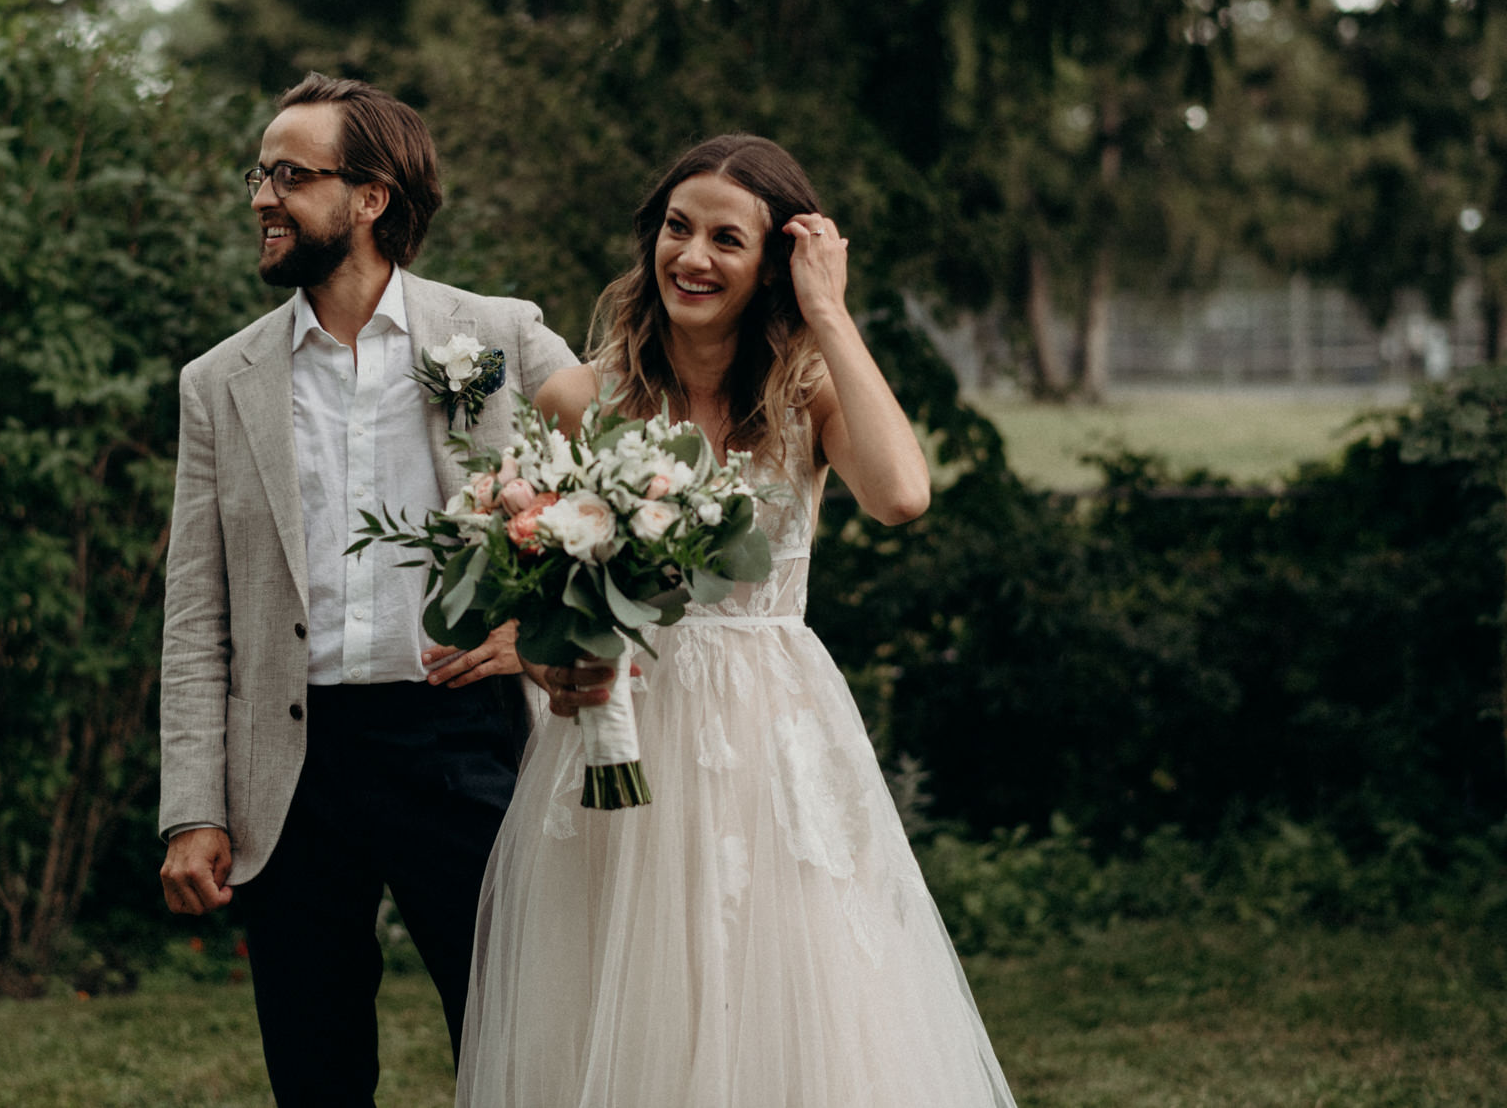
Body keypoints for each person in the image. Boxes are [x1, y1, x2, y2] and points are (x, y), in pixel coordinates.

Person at [460, 136, 1020, 1107]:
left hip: (771, 740)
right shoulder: (581, 400)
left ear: (771, 266)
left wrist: (830, 311)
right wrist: (551, 668)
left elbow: (900, 493)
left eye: (728, 237)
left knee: (791, 990)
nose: (694, 255)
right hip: (618, 736)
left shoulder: (805, 392)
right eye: (678, 228)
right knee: (619, 994)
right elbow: (536, 587)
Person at [156, 72, 578, 1106]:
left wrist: (543, 631)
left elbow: (630, 495)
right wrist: (190, 808)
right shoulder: (219, 382)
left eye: (290, 175)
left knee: (513, 1046)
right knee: (315, 1068)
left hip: (463, 740)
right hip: (290, 763)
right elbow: (197, 611)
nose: (262, 195)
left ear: (371, 196)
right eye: (260, 173)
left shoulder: (501, 337)